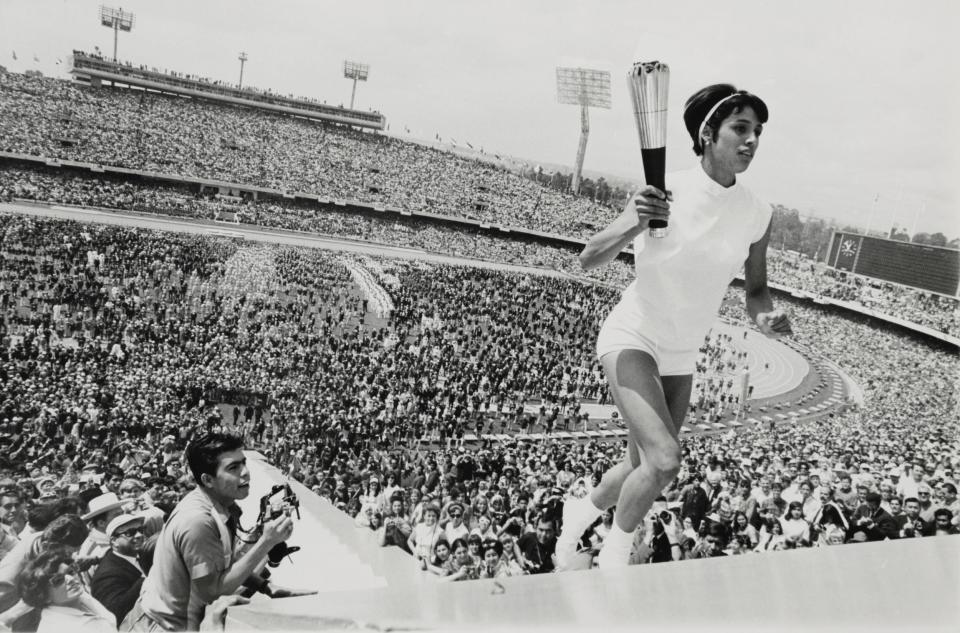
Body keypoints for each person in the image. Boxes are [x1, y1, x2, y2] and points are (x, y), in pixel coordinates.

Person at [557, 84, 792, 569]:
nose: (751, 141)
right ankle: (613, 562)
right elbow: (588, 257)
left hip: (682, 353)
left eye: (757, 132)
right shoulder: (665, 190)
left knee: (638, 466)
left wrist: (766, 316)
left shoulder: (758, 213)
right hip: (634, 336)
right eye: (740, 129)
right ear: (708, 133)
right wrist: (634, 222)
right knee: (664, 460)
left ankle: (578, 513)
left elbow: (754, 292)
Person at [122, 432, 309, 631]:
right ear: (208, 479)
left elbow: (224, 563)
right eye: (233, 468)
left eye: (244, 463)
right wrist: (266, 542)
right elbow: (212, 591)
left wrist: (265, 586)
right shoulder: (198, 521)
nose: (245, 472)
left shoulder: (221, 506)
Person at [16, 547, 115, 633]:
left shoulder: (77, 596)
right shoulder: (64, 627)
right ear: (43, 596)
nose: (70, 579)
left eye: (71, 572)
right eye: (58, 580)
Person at [90, 514, 147, 626]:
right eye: (130, 533)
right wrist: (145, 579)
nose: (139, 535)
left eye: (141, 530)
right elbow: (114, 613)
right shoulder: (107, 574)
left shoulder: (141, 554)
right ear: (114, 541)